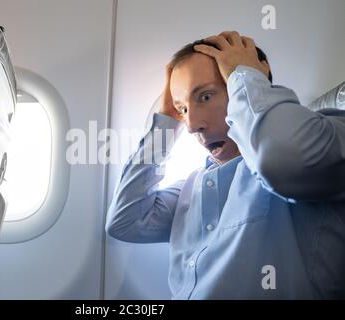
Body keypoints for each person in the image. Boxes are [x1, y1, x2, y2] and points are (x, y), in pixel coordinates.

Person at [105, 31, 345, 299]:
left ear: (251, 82)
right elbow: (124, 221)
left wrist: (245, 74)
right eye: (182, 109)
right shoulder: (192, 184)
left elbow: (281, 158)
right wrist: (164, 123)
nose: (192, 124)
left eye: (205, 97)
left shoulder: (323, 136)